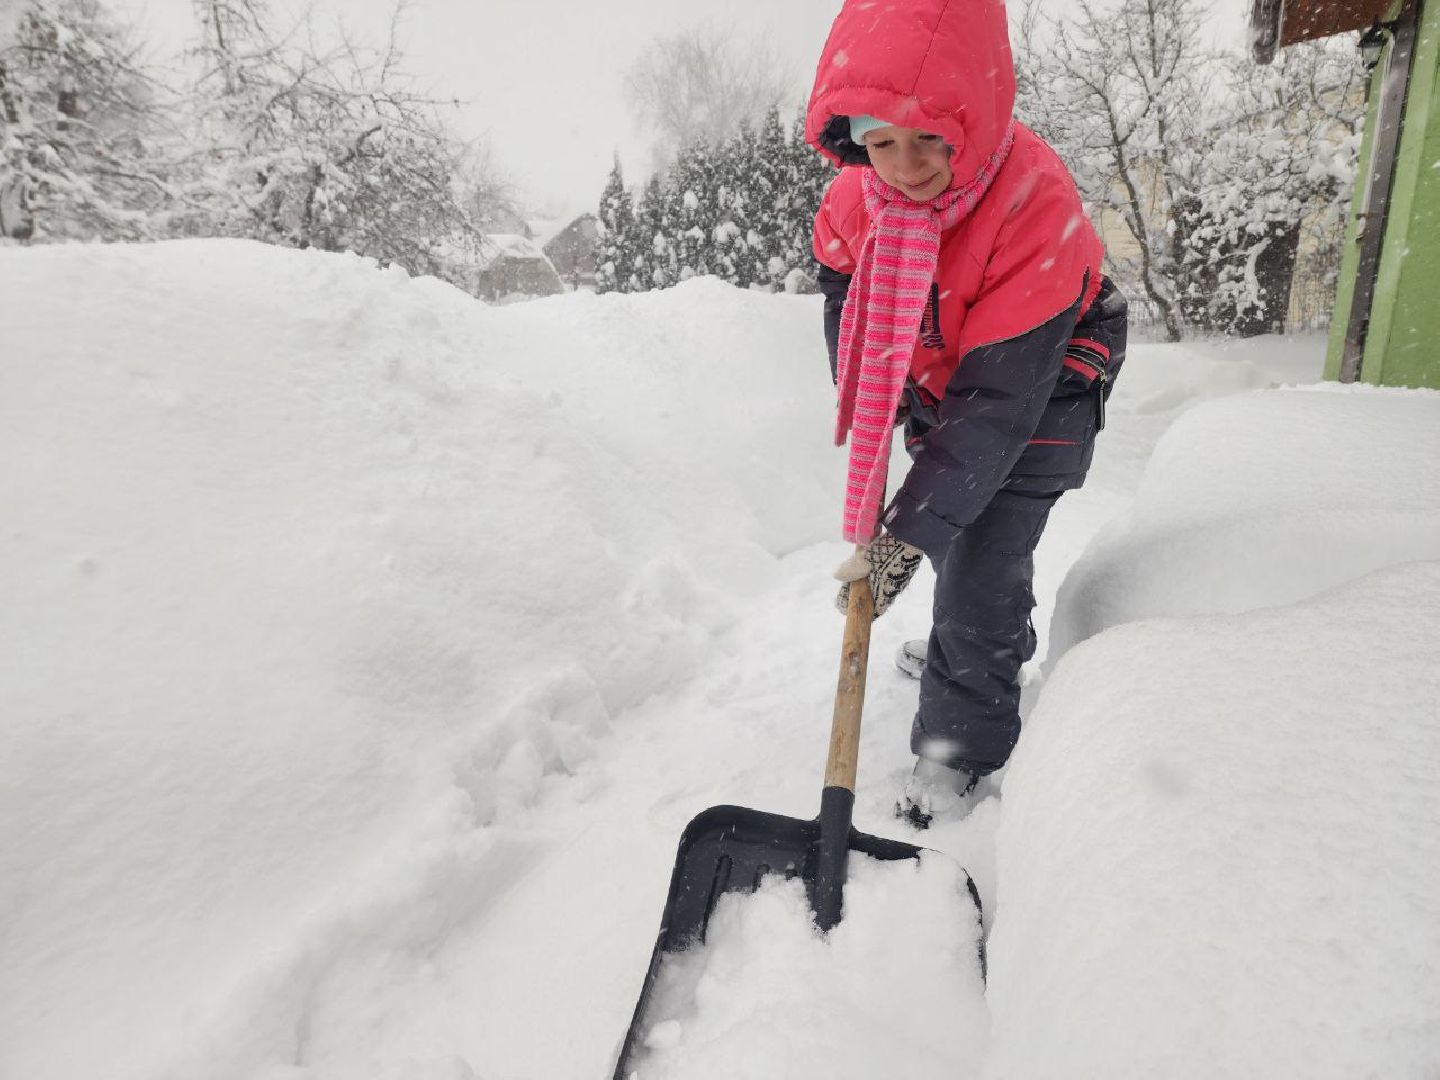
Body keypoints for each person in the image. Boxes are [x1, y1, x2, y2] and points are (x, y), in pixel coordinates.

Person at [805, 0, 1128, 828]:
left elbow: (996, 406)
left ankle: (962, 746)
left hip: (1043, 389)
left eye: (931, 141)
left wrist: (899, 543)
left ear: (975, 125)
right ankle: (974, 656)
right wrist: (878, 399)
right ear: (853, 138)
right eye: (881, 142)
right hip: (946, 381)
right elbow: (851, 307)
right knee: (956, 545)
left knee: (979, 558)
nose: (904, 166)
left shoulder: (1032, 205)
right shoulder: (854, 202)